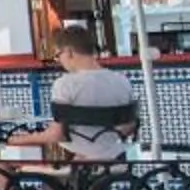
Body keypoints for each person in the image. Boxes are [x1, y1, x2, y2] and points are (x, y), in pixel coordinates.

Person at [39, 22, 137, 160]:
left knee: (1, 162)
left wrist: (13, 141)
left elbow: (56, 135)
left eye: (58, 55)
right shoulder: (122, 81)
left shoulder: (64, 84)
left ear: (69, 52)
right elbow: (130, 126)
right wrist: (102, 147)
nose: (59, 61)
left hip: (82, 156)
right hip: (113, 155)